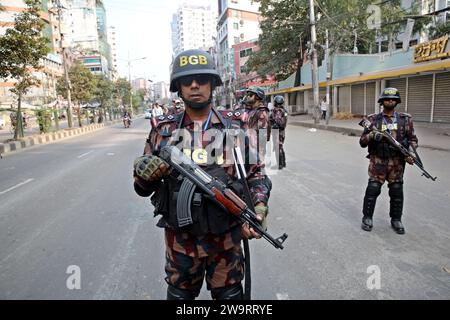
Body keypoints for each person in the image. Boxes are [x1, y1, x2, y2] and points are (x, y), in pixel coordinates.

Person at [132, 49, 271, 300]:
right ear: (178, 87)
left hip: (226, 242)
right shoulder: (163, 132)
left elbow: (257, 175)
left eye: (201, 79)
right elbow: (142, 188)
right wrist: (145, 174)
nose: (194, 85)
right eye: (187, 80)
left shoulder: (235, 128)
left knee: (230, 297)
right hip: (181, 245)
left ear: (213, 84)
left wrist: (258, 209)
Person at [359, 87, 418, 235]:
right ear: (382, 101)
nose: (390, 101)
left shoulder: (405, 119)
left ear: (397, 101)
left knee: (397, 191)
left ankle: (396, 219)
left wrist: (410, 152)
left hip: (397, 162)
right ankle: (367, 217)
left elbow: (413, 140)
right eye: (387, 98)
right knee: (372, 189)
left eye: (393, 99)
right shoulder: (372, 120)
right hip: (378, 161)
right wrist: (372, 136)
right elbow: (362, 142)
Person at [270, 95, 288, 169]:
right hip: (282, 131)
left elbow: (277, 120)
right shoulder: (284, 110)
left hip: (277, 131)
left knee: (277, 147)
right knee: (280, 146)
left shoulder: (277, 110)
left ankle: (280, 164)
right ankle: (283, 163)